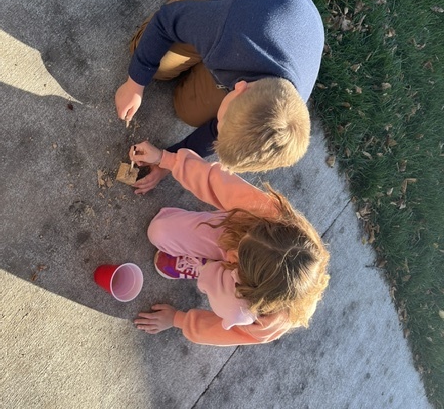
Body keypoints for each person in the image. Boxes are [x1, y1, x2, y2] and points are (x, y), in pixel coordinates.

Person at [115, 0, 324, 194]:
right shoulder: (232, 32)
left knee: (189, 110)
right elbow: (165, 22)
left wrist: (166, 161)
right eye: (223, 121)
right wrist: (135, 83)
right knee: (148, 55)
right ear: (240, 87)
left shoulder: (286, 108)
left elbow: (219, 134)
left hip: (266, 32)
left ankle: (203, 42)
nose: (218, 124)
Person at [132, 141, 330, 346]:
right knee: (158, 231)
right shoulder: (269, 216)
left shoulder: (268, 322)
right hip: (233, 232)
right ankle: (214, 266)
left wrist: (177, 319)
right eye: (241, 248)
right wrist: (165, 159)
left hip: (244, 294)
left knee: (233, 309)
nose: (231, 255)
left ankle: (204, 269)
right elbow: (217, 182)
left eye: (236, 259)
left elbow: (219, 333)